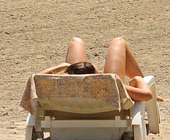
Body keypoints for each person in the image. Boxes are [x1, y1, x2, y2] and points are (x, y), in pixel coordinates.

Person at [31, 37, 160, 102]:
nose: (101, 72)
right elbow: (147, 95)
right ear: (95, 76)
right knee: (118, 41)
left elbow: (34, 79)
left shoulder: (62, 86)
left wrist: (61, 67)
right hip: (107, 107)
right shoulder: (108, 84)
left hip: (71, 106)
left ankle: (75, 69)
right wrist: (138, 80)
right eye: (99, 72)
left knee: (76, 41)